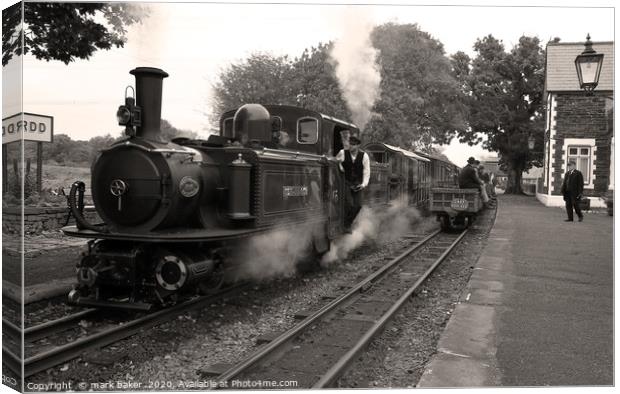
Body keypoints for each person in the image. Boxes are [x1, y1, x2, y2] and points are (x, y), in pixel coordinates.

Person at [336, 135, 370, 231]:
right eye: (350, 144)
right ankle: (345, 225)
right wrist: (340, 166)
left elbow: (366, 172)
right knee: (349, 204)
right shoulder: (342, 153)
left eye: (353, 145)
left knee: (358, 205)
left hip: (358, 184)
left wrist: (363, 184)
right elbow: (335, 160)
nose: (351, 146)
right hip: (346, 182)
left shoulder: (364, 156)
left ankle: (348, 223)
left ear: (358, 146)